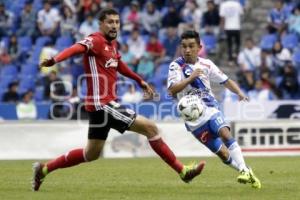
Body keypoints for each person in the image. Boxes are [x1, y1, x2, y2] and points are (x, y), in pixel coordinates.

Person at [32, 8, 205, 192]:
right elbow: (77, 48)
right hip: (103, 104)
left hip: (99, 106)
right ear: (101, 24)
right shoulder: (96, 40)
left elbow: (119, 65)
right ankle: (182, 171)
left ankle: (43, 169)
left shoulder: (112, 44)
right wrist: (55, 60)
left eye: (117, 22)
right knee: (151, 128)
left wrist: (139, 80)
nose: (114, 25)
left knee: (91, 154)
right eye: (110, 22)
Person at [167, 30, 261, 189]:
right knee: (223, 154)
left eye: (191, 46)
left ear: (199, 47)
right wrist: (190, 78)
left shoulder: (207, 64)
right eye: (184, 46)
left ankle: (244, 171)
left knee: (225, 133)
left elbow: (226, 80)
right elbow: (172, 90)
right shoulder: (176, 66)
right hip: (193, 121)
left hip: (210, 109)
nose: (187, 50)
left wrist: (238, 92)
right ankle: (246, 171)